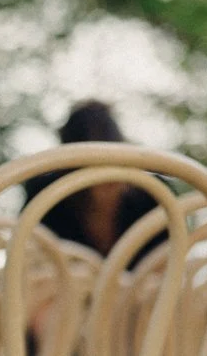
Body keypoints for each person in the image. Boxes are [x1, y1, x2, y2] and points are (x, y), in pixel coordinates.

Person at [22, 101, 161, 257]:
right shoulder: (46, 197)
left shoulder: (153, 196)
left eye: (115, 162)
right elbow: (29, 259)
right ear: (70, 171)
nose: (108, 177)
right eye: (94, 166)